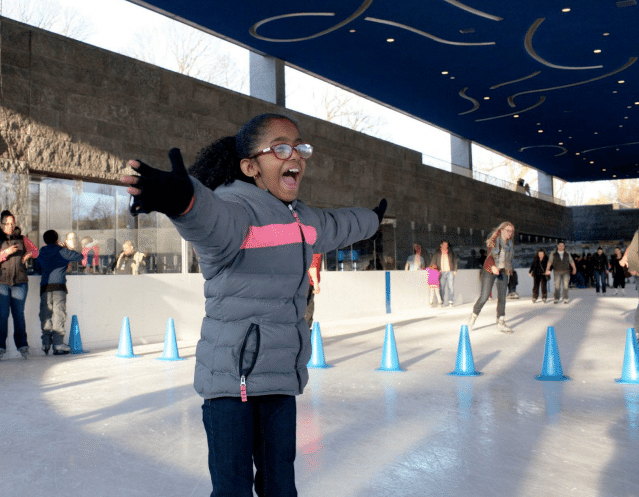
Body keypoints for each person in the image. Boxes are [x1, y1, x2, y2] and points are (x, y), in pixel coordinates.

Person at [120, 112, 386, 496]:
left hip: (279, 379)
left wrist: (372, 220)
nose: (294, 156)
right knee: (233, 489)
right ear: (251, 167)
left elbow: (339, 224)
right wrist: (185, 200)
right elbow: (211, 219)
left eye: (299, 147)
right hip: (232, 383)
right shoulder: (235, 209)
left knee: (281, 486)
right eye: (280, 148)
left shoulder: (302, 219)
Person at [0, 210, 39, 360]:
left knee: (19, 315)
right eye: (7, 223)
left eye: (12, 223)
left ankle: (23, 346)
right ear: (1, 224)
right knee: (2, 315)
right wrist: (6, 252)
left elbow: (36, 251)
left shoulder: (22, 239)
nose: (10, 226)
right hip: (0, 283)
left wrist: (29, 254)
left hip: (20, 282)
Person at [35, 230, 84, 355]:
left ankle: (45, 343)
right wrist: (65, 248)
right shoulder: (61, 251)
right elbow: (79, 256)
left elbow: (37, 266)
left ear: (45, 241)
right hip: (58, 288)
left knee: (45, 315)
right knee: (59, 315)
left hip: (45, 288)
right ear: (57, 239)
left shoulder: (42, 252)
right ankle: (58, 344)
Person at [470, 221, 515, 333]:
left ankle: (501, 321)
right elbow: (489, 256)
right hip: (490, 270)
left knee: (502, 297)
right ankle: (473, 317)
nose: (510, 233)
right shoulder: (494, 240)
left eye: (511, 231)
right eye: (508, 230)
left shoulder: (510, 244)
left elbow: (508, 259)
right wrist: (493, 266)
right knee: (484, 296)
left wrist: (509, 269)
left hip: (503, 271)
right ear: (501, 230)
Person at [430, 240, 457, 306]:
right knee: (442, 287)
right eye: (445, 244)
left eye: (447, 244)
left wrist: (455, 270)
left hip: (450, 271)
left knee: (451, 287)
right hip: (441, 272)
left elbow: (454, 261)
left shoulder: (450, 252)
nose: (446, 246)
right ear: (441, 245)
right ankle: (441, 301)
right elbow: (433, 261)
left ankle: (450, 301)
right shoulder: (437, 253)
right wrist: (433, 269)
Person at [305, 253, 322, 328]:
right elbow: (312, 267)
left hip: (307, 283)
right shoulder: (315, 248)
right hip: (307, 283)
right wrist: (316, 283)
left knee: (307, 308)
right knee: (307, 309)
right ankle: (303, 333)